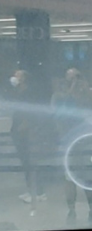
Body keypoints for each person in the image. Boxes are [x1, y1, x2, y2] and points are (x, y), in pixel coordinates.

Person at [53, 68, 92, 225]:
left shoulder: (89, 95)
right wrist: (71, 94)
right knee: (69, 178)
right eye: (71, 79)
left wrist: (87, 92)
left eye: (78, 78)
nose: (75, 82)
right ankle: (71, 211)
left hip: (88, 142)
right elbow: (58, 116)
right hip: (69, 143)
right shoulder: (59, 96)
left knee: (90, 178)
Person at [8, 70, 47, 211]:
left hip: (25, 132)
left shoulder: (29, 93)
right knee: (25, 161)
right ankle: (31, 189)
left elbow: (30, 112)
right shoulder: (19, 92)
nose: (14, 78)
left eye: (18, 75)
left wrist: (26, 125)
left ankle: (38, 191)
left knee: (30, 161)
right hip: (18, 130)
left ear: (24, 78)